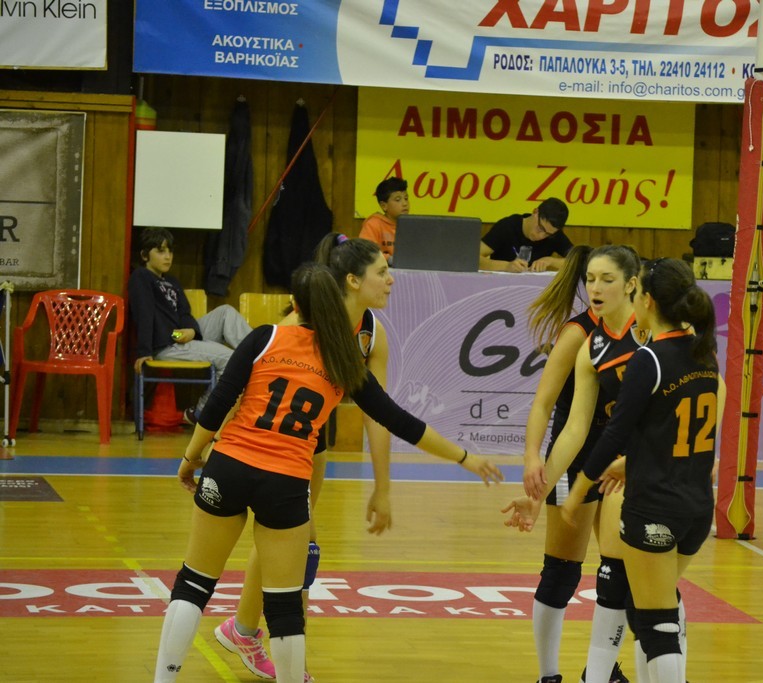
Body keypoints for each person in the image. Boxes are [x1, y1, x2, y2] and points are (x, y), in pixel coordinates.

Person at [153, 263, 503, 683]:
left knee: (193, 584)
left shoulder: (265, 337)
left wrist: (191, 457)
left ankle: (163, 678)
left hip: (229, 466)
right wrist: (465, 457)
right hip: (285, 482)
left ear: (295, 304)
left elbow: (217, 405)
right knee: (284, 607)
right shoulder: (345, 362)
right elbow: (400, 421)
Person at [561, 258, 718, 683]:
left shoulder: (650, 358)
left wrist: (578, 490)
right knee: (652, 607)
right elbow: (674, 432)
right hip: (697, 507)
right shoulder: (704, 353)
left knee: (655, 622)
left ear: (646, 300)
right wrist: (634, 462)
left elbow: (614, 433)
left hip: (654, 506)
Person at [503, 244, 643, 683]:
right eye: (591, 280)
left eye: (606, 280)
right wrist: (534, 462)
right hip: (577, 456)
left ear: (632, 285)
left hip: (625, 462)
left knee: (618, 573)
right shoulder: (580, 335)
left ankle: (601, 671)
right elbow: (547, 406)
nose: (595, 288)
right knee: (561, 572)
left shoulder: (652, 333)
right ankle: (549, 675)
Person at [128, 226, 253, 424]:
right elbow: (144, 314)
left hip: (180, 335)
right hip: (166, 342)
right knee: (232, 360)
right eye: (160, 251)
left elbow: (185, 313)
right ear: (144, 255)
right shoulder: (141, 277)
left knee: (225, 312)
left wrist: (192, 331)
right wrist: (143, 351)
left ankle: (263, 354)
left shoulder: (172, 281)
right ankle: (200, 411)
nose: (167, 256)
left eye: (170, 251)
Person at [480, 197, 573, 273]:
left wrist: (551, 261)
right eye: (540, 228)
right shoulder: (507, 226)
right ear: (535, 212)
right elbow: (474, 259)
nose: (541, 236)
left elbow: (579, 260)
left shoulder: (554, 234)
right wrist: (506, 266)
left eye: (548, 234)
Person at [358, 177, 409, 264]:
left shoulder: (411, 225)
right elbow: (365, 252)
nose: (405, 203)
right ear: (384, 206)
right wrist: (388, 259)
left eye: (406, 198)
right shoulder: (373, 224)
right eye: (398, 200)